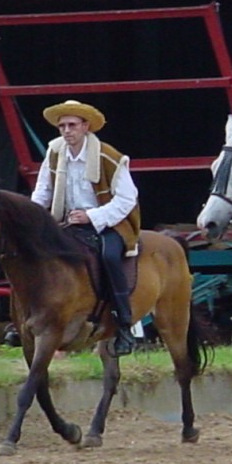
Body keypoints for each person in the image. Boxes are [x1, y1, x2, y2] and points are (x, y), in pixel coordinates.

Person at [31, 99, 141, 357]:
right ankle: (31, 318)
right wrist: (34, 218)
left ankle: (124, 324)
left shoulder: (109, 156)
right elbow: (43, 191)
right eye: (62, 126)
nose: (66, 131)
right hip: (67, 223)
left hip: (108, 223)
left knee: (109, 257)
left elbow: (127, 199)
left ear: (85, 126)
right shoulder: (54, 153)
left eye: (72, 125)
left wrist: (91, 216)